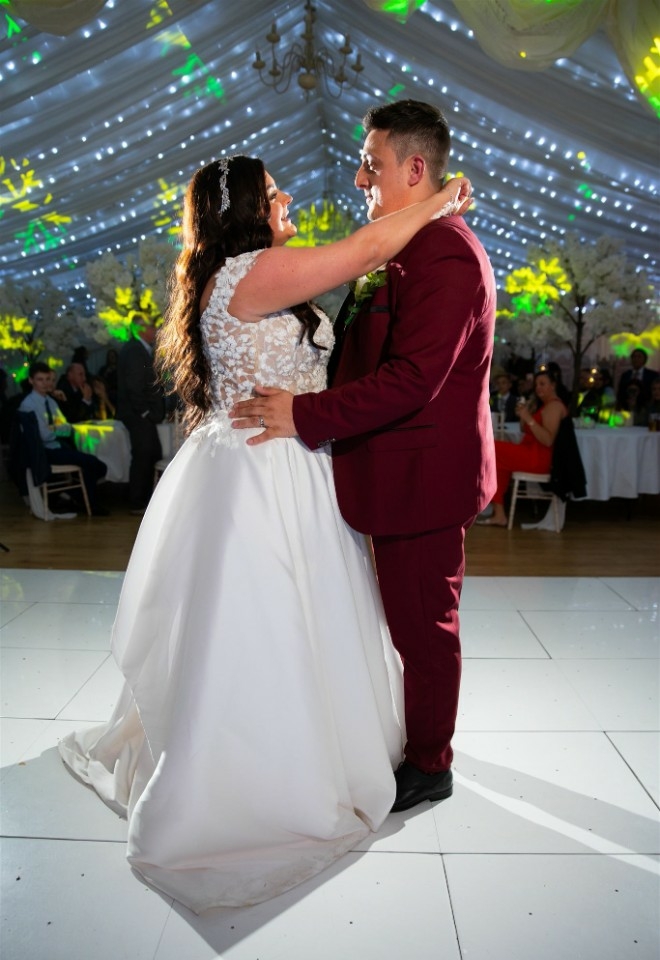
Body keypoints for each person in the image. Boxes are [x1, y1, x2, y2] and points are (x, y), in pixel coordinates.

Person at [58, 153, 471, 912]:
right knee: (266, 622)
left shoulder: (254, 271)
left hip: (288, 461)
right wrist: (440, 201)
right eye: (275, 192)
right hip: (263, 471)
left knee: (296, 618)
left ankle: (311, 743)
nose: (288, 198)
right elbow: (369, 250)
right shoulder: (251, 271)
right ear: (247, 209)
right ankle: (253, 774)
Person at [230, 100, 497, 814]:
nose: (359, 178)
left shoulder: (443, 254)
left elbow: (413, 379)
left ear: (415, 168)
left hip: (424, 477)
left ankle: (430, 763)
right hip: (391, 469)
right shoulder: (405, 243)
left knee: (423, 624)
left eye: (371, 164)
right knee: (407, 618)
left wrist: (304, 414)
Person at [477, 368, 568, 527]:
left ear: (553, 385)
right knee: (497, 464)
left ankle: (491, 507)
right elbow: (524, 430)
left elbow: (547, 440)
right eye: (536, 384)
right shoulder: (543, 405)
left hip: (538, 458)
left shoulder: (554, 406)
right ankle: (499, 514)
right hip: (529, 451)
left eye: (542, 384)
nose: (538, 388)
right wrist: (526, 415)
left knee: (491, 447)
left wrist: (528, 418)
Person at [18, 361, 109, 515]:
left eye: (47, 379)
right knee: (92, 464)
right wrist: (57, 429)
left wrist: (54, 429)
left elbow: (67, 428)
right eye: (40, 379)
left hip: (57, 446)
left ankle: (79, 498)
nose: (45, 383)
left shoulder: (51, 402)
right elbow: (44, 435)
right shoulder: (29, 405)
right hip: (43, 451)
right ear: (31, 381)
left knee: (96, 465)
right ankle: (87, 503)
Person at [116, 316, 165, 514]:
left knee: (151, 454)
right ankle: (138, 501)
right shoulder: (135, 350)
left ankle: (144, 499)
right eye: (152, 325)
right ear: (139, 328)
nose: (155, 329)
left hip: (141, 414)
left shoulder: (140, 349)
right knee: (144, 455)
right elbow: (134, 385)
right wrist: (145, 412)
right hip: (138, 415)